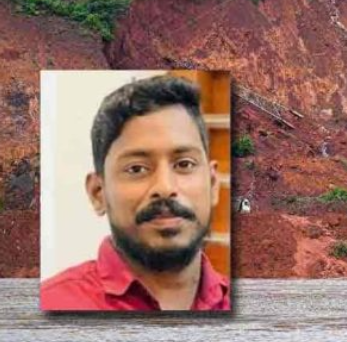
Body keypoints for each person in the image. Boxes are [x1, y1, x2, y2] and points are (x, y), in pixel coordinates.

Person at [40, 75, 229, 311]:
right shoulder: (51, 307)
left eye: (184, 164)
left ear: (212, 185)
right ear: (98, 193)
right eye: (136, 168)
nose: (165, 187)